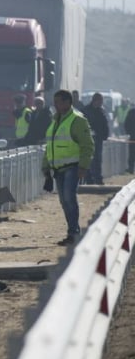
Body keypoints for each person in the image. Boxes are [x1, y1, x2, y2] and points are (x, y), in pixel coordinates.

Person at [42, 89, 95, 246]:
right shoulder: (55, 121)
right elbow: (49, 146)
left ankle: (74, 233)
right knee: (64, 201)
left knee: (69, 199)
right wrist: (46, 168)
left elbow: (87, 145)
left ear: (67, 102)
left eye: (59, 102)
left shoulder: (78, 120)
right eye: (55, 102)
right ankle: (72, 231)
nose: (56, 105)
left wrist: (83, 167)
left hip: (72, 167)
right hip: (58, 169)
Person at [84, 92, 110, 185]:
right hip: (88, 139)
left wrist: (105, 135)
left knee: (98, 159)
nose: (101, 103)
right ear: (95, 100)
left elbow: (105, 124)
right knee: (89, 159)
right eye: (100, 101)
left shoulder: (101, 111)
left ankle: (98, 178)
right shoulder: (86, 110)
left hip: (98, 138)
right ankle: (89, 179)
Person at [126, 103, 135, 174]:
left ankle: (131, 168)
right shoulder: (131, 112)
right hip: (133, 136)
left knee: (132, 154)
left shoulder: (131, 112)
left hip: (132, 136)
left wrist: (129, 132)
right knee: (132, 154)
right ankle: (131, 168)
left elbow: (126, 123)